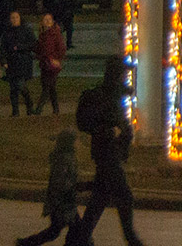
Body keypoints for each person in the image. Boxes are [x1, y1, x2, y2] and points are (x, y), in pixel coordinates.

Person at [69, 56, 142, 246]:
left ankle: (80, 238)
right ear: (116, 74)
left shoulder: (116, 95)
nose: (125, 77)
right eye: (123, 73)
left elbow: (120, 122)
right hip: (106, 153)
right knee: (124, 196)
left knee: (100, 197)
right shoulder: (102, 97)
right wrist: (110, 131)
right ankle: (131, 238)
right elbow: (93, 123)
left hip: (111, 153)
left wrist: (124, 135)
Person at [15, 129, 85, 246]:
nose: (78, 143)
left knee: (69, 229)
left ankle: (26, 243)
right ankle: (26, 243)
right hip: (61, 202)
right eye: (76, 141)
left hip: (64, 201)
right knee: (62, 230)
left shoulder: (68, 157)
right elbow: (60, 180)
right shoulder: (64, 158)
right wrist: (73, 187)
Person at [5, 9, 38, 116]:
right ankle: (15, 111)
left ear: (20, 18)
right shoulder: (7, 32)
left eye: (16, 17)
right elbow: (3, 48)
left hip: (23, 62)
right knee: (13, 89)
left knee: (20, 85)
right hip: (11, 62)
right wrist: (3, 60)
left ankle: (29, 104)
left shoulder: (26, 30)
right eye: (12, 18)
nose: (14, 20)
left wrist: (20, 47)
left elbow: (33, 44)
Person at [35, 11, 67, 115]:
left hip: (52, 65)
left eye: (50, 19)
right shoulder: (42, 35)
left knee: (46, 87)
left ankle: (39, 109)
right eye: (46, 19)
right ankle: (56, 108)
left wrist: (56, 59)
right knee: (51, 87)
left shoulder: (56, 33)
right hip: (45, 64)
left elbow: (62, 49)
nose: (48, 21)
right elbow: (40, 50)